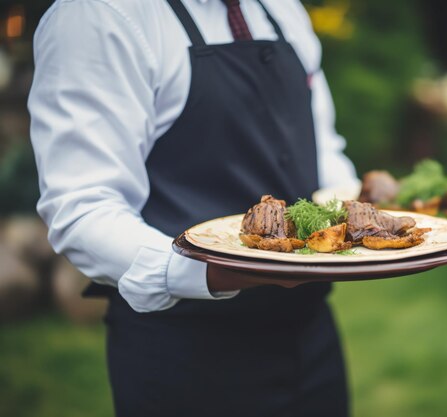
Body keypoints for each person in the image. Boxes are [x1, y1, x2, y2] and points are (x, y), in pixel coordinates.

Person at [28, 0, 357, 416]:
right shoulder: (97, 15)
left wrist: (359, 209)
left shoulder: (281, 7)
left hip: (311, 336)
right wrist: (212, 270)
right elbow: (82, 206)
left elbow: (322, 145)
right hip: (185, 354)